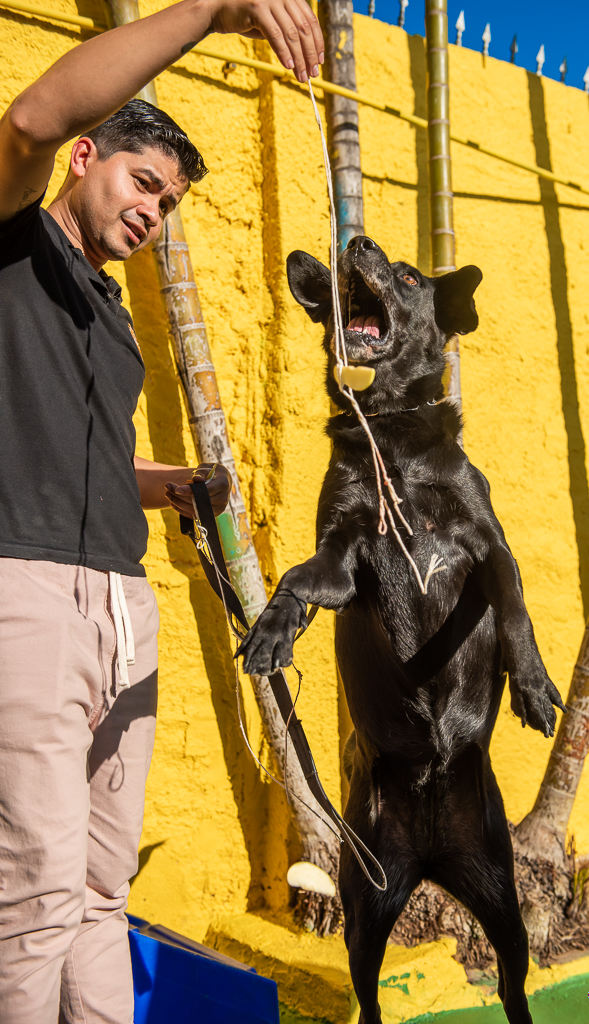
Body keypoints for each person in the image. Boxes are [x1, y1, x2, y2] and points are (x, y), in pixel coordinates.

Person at [0, 1, 324, 1020]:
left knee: (99, 896)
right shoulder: (11, 241)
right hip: (30, 593)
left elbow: (82, 458)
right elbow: (29, 119)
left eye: (169, 202)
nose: (154, 211)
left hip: (119, 605)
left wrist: (174, 484)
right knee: (35, 898)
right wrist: (217, 10)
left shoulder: (105, 312)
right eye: (145, 182)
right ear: (87, 158)